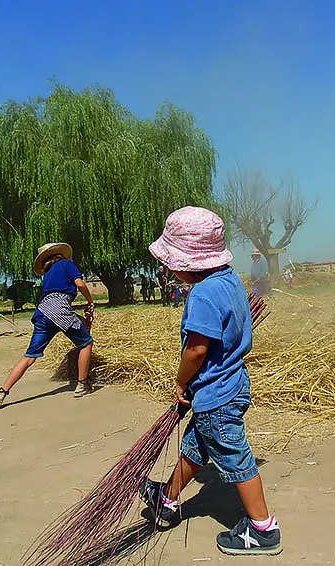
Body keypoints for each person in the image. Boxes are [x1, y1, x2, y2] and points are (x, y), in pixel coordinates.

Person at [140, 206, 281, 556]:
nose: (168, 268)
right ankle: (168, 500)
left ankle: (263, 530)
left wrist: (179, 382)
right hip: (232, 383)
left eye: (171, 261)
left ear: (188, 263)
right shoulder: (230, 280)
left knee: (234, 456)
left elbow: (196, 351)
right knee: (196, 447)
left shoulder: (201, 295)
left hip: (216, 394)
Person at [0, 243, 95, 408]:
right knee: (86, 343)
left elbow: (55, 306)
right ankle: (82, 385)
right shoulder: (67, 264)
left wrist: (83, 322)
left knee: (30, 356)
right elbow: (80, 285)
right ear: (60, 254)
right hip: (59, 312)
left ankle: (1, 393)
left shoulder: (48, 273)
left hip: (42, 313)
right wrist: (90, 302)